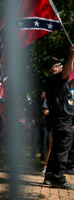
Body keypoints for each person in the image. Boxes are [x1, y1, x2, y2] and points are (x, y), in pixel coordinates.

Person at [43, 45, 74, 189]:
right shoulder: (54, 79)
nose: (61, 66)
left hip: (60, 120)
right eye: (58, 65)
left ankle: (49, 176)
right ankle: (59, 178)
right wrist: (72, 54)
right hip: (62, 120)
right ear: (52, 69)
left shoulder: (57, 81)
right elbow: (67, 72)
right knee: (62, 150)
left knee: (56, 149)